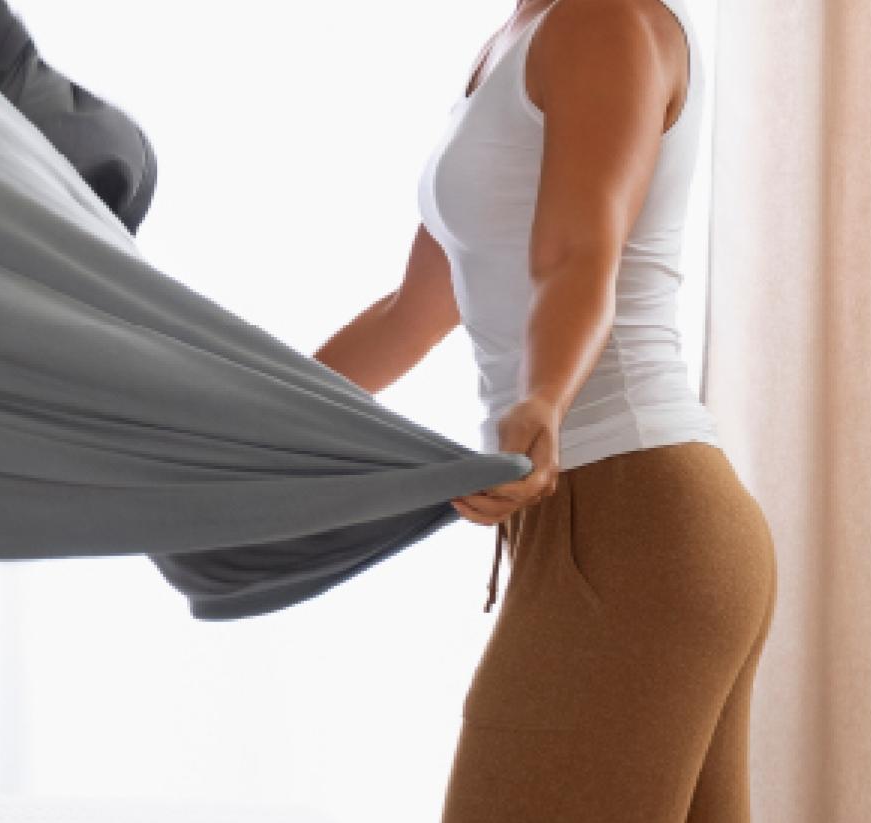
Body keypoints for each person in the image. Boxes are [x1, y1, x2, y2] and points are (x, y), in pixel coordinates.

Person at [311, 0, 778, 819]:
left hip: (636, 515)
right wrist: (257, 413)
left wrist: (543, 395)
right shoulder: (512, 42)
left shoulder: (602, 20)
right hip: (627, 526)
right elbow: (412, 311)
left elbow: (579, 248)